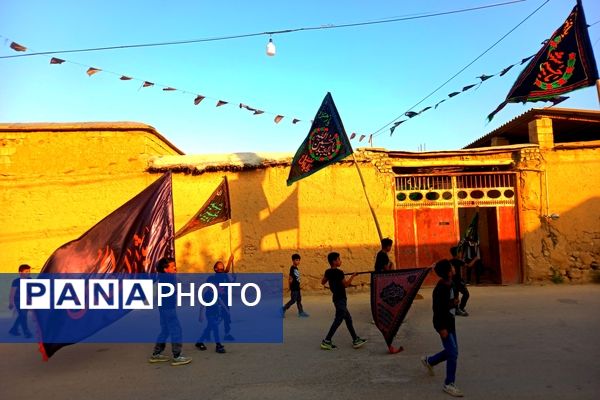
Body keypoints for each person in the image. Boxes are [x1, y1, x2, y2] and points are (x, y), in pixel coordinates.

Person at [421, 259, 464, 397]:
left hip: (450, 322)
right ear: (448, 272)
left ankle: (430, 361)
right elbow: (437, 311)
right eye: (451, 267)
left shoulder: (452, 282)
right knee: (453, 353)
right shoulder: (440, 289)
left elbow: (452, 299)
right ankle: (449, 383)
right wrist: (441, 328)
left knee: (453, 351)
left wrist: (454, 301)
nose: (453, 267)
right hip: (443, 325)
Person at [149, 257, 192, 366]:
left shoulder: (163, 277)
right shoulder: (168, 278)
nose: (175, 268)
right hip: (168, 309)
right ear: (165, 269)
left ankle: (156, 354)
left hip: (163, 308)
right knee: (176, 330)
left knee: (165, 330)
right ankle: (177, 356)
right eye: (172, 267)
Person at [320, 252, 367, 350]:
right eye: (338, 259)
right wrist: (353, 276)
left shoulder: (328, 272)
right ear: (334, 261)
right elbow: (345, 285)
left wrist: (331, 279)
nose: (340, 261)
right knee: (338, 320)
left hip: (336, 299)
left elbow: (323, 282)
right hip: (341, 299)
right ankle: (327, 341)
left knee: (348, 319)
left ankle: (355, 339)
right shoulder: (340, 272)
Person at [195, 254, 235, 351]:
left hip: (224, 299)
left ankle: (226, 333)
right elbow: (203, 303)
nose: (222, 268)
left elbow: (229, 275)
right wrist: (201, 314)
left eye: (223, 266)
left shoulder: (225, 275)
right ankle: (217, 344)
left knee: (222, 318)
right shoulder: (213, 279)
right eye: (220, 267)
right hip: (214, 305)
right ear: (216, 269)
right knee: (214, 324)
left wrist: (230, 261)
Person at [8, 264, 32, 338]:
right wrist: (11, 303)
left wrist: (30, 300)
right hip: (18, 301)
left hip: (27, 301)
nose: (28, 273)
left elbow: (30, 291)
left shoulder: (30, 280)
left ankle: (14, 329)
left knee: (22, 315)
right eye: (26, 271)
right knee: (23, 315)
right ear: (20, 272)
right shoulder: (16, 281)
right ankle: (26, 332)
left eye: (29, 271)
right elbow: (12, 293)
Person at [449, 246, 474, 316]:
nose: (461, 254)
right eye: (460, 252)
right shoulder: (458, 261)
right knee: (466, 294)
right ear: (457, 253)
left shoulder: (450, 261)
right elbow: (469, 265)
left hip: (453, 281)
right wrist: (475, 259)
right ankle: (461, 308)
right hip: (458, 281)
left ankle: (457, 309)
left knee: (455, 296)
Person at [282, 253, 309, 317]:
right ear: (293, 260)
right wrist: (290, 287)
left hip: (297, 287)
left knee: (299, 300)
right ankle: (283, 308)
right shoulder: (292, 268)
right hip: (294, 288)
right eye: (296, 260)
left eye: (299, 260)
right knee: (293, 300)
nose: (298, 261)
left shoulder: (296, 268)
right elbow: (290, 278)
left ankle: (301, 312)